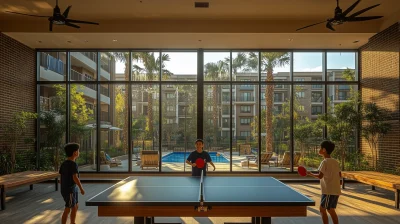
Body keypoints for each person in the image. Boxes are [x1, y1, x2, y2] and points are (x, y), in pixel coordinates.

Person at [307, 140, 342, 224]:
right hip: (335, 191)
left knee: (322, 210)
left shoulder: (324, 162)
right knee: (331, 210)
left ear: (324, 150)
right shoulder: (335, 161)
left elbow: (320, 176)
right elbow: (339, 175)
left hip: (328, 191)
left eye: (320, 148)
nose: (319, 149)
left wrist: (310, 174)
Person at [59, 143, 85, 224]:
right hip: (70, 190)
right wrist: (81, 188)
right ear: (75, 153)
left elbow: (61, 178)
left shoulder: (64, 163)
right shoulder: (73, 164)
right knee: (69, 208)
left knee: (76, 206)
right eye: (78, 150)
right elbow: (75, 177)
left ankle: (72, 222)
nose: (79, 152)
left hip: (70, 189)